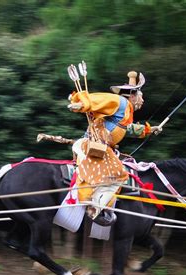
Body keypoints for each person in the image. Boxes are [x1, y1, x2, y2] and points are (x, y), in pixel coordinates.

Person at [67, 71, 162, 225]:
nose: (142, 100)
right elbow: (102, 99)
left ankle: (100, 206)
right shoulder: (120, 102)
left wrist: (149, 130)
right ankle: (93, 207)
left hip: (102, 147)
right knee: (118, 173)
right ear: (132, 95)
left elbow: (127, 129)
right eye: (141, 96)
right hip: (93, 146)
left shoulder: (125, 111)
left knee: (118, 173)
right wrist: (81, 103)